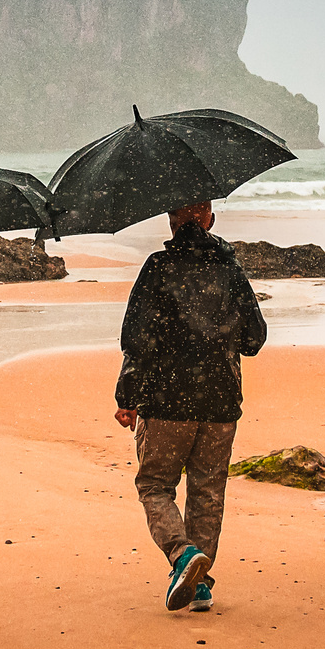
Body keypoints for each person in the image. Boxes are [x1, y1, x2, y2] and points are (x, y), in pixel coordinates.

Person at [115, 200, 267, 612]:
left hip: (167, 400)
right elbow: (254, 338)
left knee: (154, 485)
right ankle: (201, 585)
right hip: (220, 400)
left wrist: (126, 397)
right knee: (208, 490)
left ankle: (183, 555)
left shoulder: (158, 267)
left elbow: (136, 340)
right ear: (210, 220)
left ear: (170, 220)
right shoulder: (230, 270)